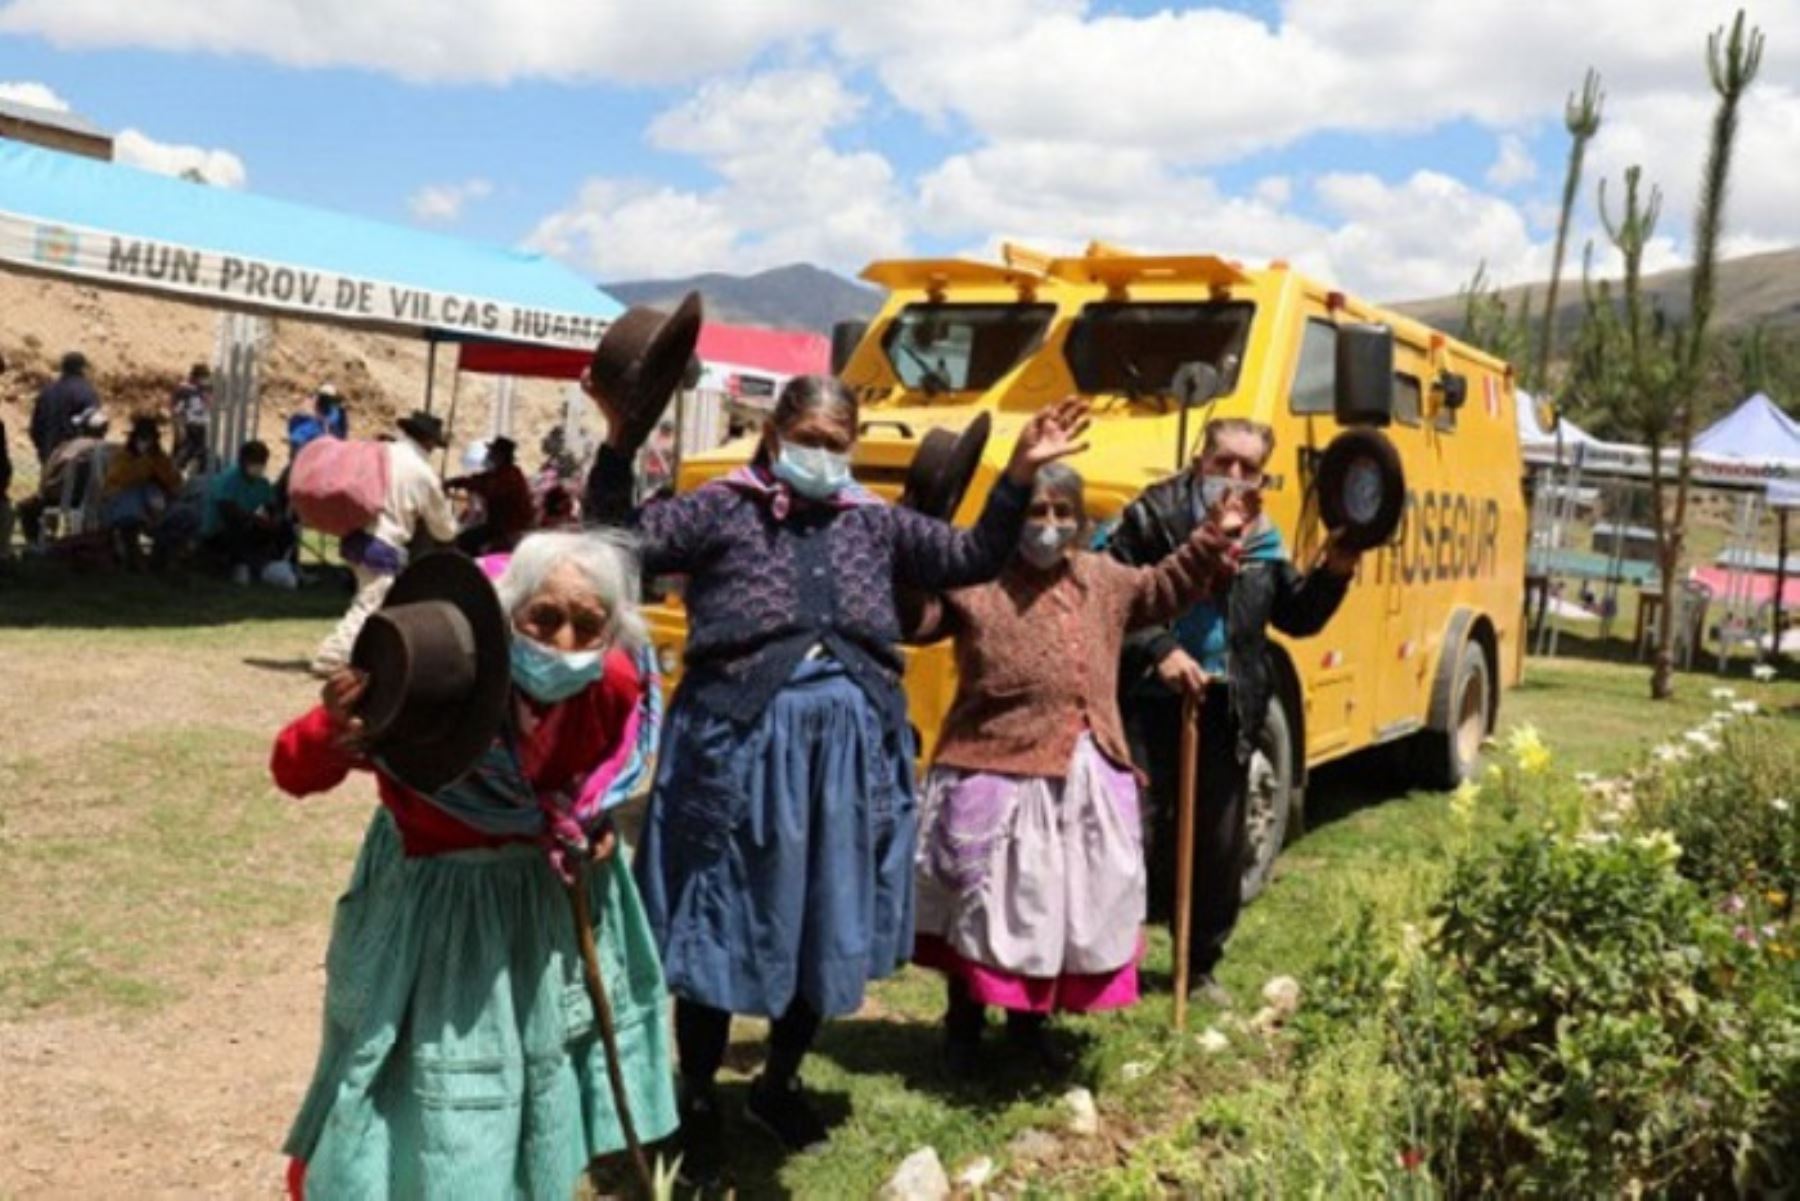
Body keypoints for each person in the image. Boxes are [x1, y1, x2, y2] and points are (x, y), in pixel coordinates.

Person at [583, 371, 1088, 1179]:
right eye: (807, 439)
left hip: (849, 752)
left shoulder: (875, 523)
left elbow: (969, 555)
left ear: (850, 448)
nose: (820, 455)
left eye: (834, 443)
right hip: (742, 746)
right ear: (777, 433)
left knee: (823, 912)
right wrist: (617, 443)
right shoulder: (724, 506)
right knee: (721, 915)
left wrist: (1021, 472)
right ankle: (700, 1097)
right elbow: (615, 540)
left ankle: (778, 1083)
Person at [271, 534, 678, 1198]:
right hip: (435, 911)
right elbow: (291, 770)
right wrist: (331, 727)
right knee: (427, 1084)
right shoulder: (435, 676)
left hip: (537, 908)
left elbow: (593, 785)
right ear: (505, 614)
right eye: (543, 618)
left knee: (526, 1086)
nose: (564, 641)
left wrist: (593, 827)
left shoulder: (613, 684)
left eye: (587, 626)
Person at [904, 463, 1235, 1073]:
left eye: (1063, 513)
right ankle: (964, 1028)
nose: (1049, 526)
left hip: (1080, 767)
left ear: (1081, 525)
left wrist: (1211, 539)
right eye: (1036, 512)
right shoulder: (976, 580)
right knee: (981, 907)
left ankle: (1030, 1028)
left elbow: (1164, 588)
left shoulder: (1103, 581)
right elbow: (916, 621)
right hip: (992, 762)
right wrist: (909, 560)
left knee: (1052, 904)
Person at [1108, 418, 1359, 1005]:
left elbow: (1294, 616)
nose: (1235, 476)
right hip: (1148, 698)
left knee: (1219, 840)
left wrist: (1335, 569)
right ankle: (1114, 960)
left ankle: (1197, 967)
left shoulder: (1264, 540)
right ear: (1201, 460)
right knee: (1134, 831)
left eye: (1250, 467)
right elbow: (1110, 595)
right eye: (1225, 461)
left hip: (1226, 702)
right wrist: (1159, 649)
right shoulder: (1152, 518)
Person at [311, 412, 458, 675]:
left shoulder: (380, 454)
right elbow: (443, 528)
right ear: (427, 441)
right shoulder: (422, 473)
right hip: (383, 542)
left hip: (357, 533)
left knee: (368, 598)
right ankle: (331, 657)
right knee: (368, 604)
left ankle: (362, 655)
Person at [203, 440, 294, 584]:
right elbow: (228, 511)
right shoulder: (229, 479)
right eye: (254, 461)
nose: (258, 466)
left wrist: (276, 518)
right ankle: (238, 566)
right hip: (218, 531)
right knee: (238, 527)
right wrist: (256, 520)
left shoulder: (261, 483)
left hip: (248, 524)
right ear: (243, 461)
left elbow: (271, 505)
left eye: (262, 461)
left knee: (285, 528)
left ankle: (282, 564)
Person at [16, 409, 110, 545]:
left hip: (65, 500)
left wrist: (44, 493)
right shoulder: (112, 449)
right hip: (101, 501)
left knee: (26, 508)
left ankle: (36, 544)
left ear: (83, 428)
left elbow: (48, 479)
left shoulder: (67, 447)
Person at [102, 415, 182, 571]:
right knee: (130, 515)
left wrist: (157, 472)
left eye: (149, 439)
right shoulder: (122, 457)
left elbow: (175, 483)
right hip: (125, 504)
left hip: (157, 505)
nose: (145, 443)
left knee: (179, 517)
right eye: (142, 438)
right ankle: (133, 555)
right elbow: (116, 483)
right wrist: (142, 465)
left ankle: (161, 558)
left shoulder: (160, 459)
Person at [448, 436, 534, 555]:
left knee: (465, 542)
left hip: (509, 529)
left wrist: (463, 484)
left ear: (500, 456)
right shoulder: (499, 473)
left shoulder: (510, 476)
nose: (488, 455)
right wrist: (454, 482)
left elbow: (489, 488)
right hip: (498, 526)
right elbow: (478, 479)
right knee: (465, 538)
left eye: (491, 453)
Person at [29, 351, 100, 465]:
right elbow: (95, 427)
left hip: (49, 456)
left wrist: (43, 449)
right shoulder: (87, 393)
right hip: (76, 460)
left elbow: (35, 428)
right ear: (82, 369)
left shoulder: (47, 392)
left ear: (63, 368)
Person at [170, 363, 212, 476]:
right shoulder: (184, 390)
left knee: (201, 456)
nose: (205, 380)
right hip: (188, 427)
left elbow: (208, 406)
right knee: (181, 457)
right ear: (195, 377)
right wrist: (179, 428)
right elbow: (176, 412)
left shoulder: (205, 390)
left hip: (201, 427)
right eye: (203, 377)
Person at [286, 383, 349, 456]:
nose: (326, 401)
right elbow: (295, 433)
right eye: (324, 398)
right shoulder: (306, 413)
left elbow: (343, 431)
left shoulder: (338, 412)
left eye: (328, 399)